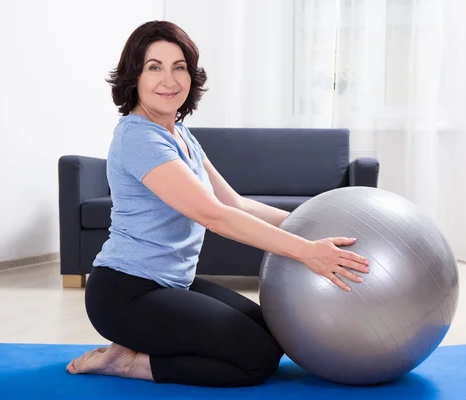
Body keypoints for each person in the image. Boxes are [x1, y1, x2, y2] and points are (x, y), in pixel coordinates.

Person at [65, 20, 370, 387]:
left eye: (179, 67)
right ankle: (131, 363)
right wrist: (306, 251)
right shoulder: (138, 138)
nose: (169, 80)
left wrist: (310, 224)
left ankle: (135, 349)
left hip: (172, 285)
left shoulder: (180, 134)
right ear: (134, 77)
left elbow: (236, 203)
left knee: (273, 335)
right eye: (154, 67)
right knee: (255, 360)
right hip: (125, 293)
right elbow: (213, 215)